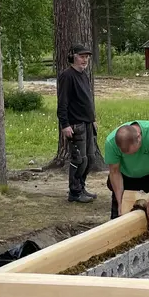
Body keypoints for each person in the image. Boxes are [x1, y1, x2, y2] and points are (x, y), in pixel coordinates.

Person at [104, 120, 149, 223]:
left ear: (139, 137)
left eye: (134, 152)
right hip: (127, 178)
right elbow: (114, 172)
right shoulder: (111, 143)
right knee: (120, 221)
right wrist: (120, 201)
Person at [56, 43, 98, 203]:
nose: (85, 60)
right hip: (75, 124)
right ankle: (74, 192)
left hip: (87, 123)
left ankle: (81, 187)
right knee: (79, 159)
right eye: (81, 56)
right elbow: (62, 103)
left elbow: (86, 100)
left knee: (91, 158)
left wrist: (92, 119)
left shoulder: (84, 75)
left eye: (86, 57)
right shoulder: (67, 75)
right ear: (73, 57)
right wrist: (65, 124)